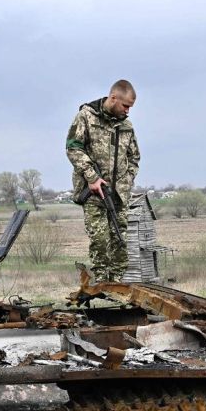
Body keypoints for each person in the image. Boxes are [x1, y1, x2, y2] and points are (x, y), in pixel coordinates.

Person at [66, 79, 141, 281]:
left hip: (118, 195)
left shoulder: (126, 125)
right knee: (99, 239)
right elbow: (73, 147)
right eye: (125, 106)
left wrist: (127, 181)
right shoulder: (86, 117)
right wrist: (92, 177)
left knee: (119, 238)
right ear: (113, 98)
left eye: (130, 107)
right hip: (93, 193)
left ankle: (116, 281)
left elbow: (134, 157)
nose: (128, 111)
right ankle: (101, 279)